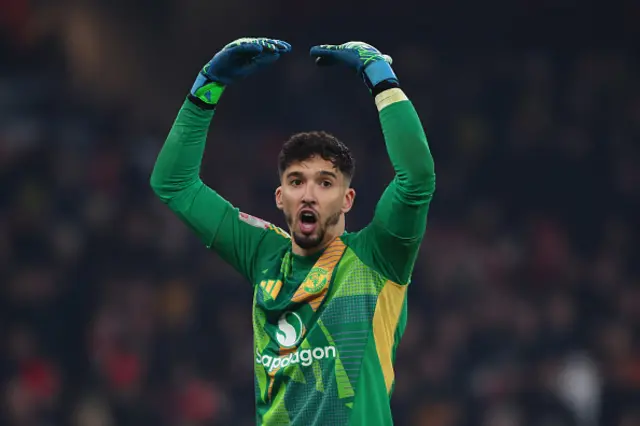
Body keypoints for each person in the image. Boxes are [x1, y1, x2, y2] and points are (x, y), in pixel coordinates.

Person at [150, 37, 436, 426]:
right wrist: (207, 86)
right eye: (297, 182)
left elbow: (416, 177)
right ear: (280, 197)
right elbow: (173, 183)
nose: (309, 195)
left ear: (348, 199)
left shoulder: (378, 256)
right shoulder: (265, 254)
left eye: (325, 183)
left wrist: (380, 77)